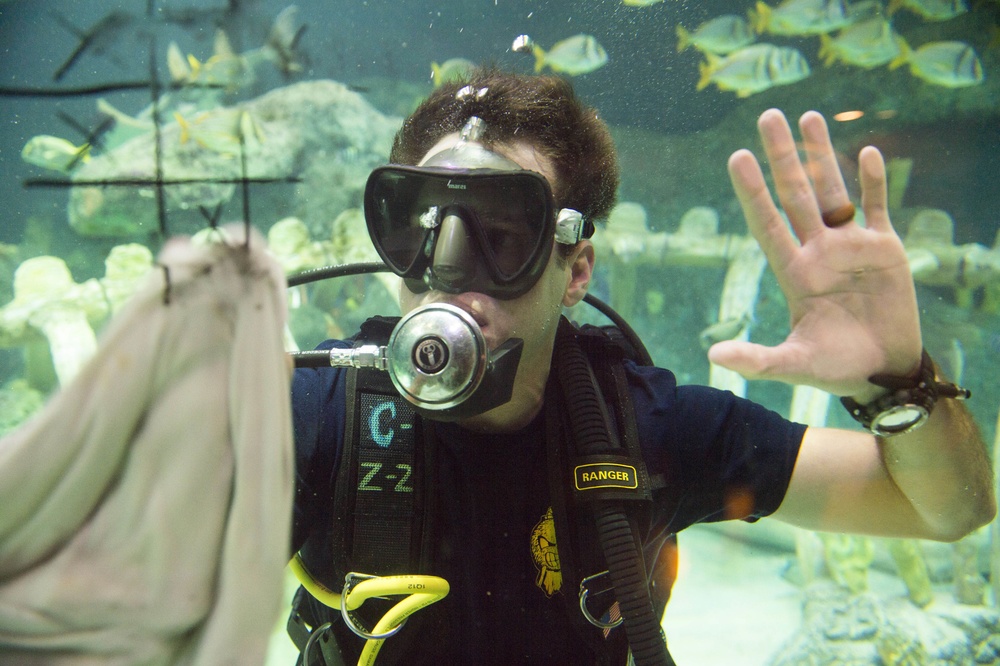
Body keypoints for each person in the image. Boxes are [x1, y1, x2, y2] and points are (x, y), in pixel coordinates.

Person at [289, 69, 995, 665]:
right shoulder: (323, 411)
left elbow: (948, 509)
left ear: (575, 270)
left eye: (502, 237)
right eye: (422, 233)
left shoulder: (647, 428)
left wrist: (900, 383)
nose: (445, 275)